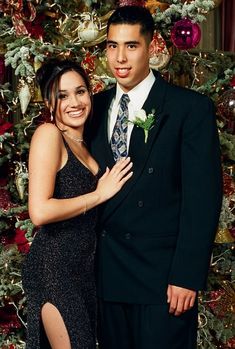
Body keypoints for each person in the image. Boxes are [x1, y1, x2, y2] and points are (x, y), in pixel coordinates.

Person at [90, 5, 223, 349]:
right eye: (112, 46)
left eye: (131, 46)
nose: (120, 57)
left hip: (162, 280)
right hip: (105, 277)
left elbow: (202, 200)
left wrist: (186, 275)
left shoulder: (188, 109)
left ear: (153, 46)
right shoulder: (92, 108)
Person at [21, 58, 133, 349]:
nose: (75, 102)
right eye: (63, 95)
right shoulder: (49, 135)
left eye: (80, 91)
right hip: (54, 267)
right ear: (49, 102)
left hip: (83, 270)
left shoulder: (86, 143)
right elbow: (40, 211)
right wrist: (98, 194)